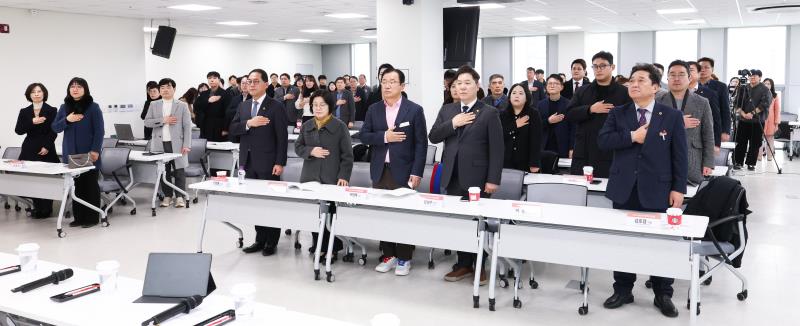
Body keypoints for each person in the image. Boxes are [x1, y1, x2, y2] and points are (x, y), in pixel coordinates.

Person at [598, 63, 687, 318]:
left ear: (655, 87)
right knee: (623, 242)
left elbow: (679, 156)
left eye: (640, 80)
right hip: (625, 188)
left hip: (658, 189)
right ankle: (623, 289)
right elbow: (603, 141)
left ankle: (663, 293)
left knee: (661, 243)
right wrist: (631, 137)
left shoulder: (670, 116)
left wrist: (678, 189)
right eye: (631, 81)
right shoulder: (619, 113)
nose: (633, 84)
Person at [429, 65, 503, 285]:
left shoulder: (489, 112)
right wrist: (453, 123)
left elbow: (497, 149)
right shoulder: (448, 111)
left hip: (478, 179)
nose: (461, 86)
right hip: (452, 175)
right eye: (458, 83)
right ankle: (463, 265)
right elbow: (433, 136)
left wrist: (493, 179)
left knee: (478, 222)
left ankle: (480, 265)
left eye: (467, 82)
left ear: (477, 86)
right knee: (460, 223)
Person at [359, 68, 427, 275]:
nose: (387, 85)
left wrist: (417, 172)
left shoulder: (414, 110)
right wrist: (384, 137)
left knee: (402, 216)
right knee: (383, 215)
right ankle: (388, 255)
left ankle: (404, 258)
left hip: (404, 171)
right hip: (380, 170)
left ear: (402, 86)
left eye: (392, 81)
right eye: (384, 81)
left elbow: (421, 144)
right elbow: (364, 136)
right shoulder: (373, 109)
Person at [231, 69, 289, 256]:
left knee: (270, 203)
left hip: (268, 162)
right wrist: (249, 123)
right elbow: (233, 128)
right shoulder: (244, 106)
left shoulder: (276, 106)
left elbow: (282, 137)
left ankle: (271, 241)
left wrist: (280, 162)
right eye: (249, 81)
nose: (252, 85)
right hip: (247, 163)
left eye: (256, 81)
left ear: (265, 84)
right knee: (255, 203)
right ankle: (259, 239)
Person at [295, 90, 354, 259]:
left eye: (322, 105)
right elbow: (298, 147)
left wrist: (344, 176)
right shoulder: (307, 126)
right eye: (315, 105)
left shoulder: (339, 126)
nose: (318, 108)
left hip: (331, 177)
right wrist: (311, 150)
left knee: (330, 215)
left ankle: (332, 248)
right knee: (315, 214)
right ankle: (318, 244)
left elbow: (347, 155)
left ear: (330, 106)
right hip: (310, 177)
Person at [565, 51, 631, 178]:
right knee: (580, 190)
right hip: (584, 150)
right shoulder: (583, 90)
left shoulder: (623, 93)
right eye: (595, 66)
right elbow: (569, 114)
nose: (598, 69)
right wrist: (590, 109)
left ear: (612, 67)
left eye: (602, 66)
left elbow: (630, 121)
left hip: (610, 151)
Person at [52, 77, 104, 228]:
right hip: (70, 152)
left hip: (88, 153)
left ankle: (92, 218)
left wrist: (95, 150)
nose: (75, 89)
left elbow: (99, 131)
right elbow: (55, 128)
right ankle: (79, 217)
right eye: (72, 86)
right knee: (75, 186)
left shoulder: (93, 107)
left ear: (85, 89)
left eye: (79, 86)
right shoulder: (64, 107)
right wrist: (67, 119)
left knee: (89, 185)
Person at [656, 60, 715, 185]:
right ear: (667, 78)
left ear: (689, 78)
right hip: (662, 161)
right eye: (672, 74)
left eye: (681, 74)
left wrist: (708, 163)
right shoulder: (657, 101)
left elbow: (708, 134)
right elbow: (650, 128)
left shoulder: (702, 102)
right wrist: (678, 123)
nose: (676, 78)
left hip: (692, 160)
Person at [143, 78, 193, 208]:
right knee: (163, 171)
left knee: (179, 171)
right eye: (162, 88)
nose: (165, 90)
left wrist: (187, 144)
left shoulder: (182, 105)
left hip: (177, 143)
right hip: (159, 144)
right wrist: (163, 120)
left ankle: (180, 196)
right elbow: (147, 122)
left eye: (168, 87)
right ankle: (167, 196)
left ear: (174, 89)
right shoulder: (154, 105)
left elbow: (187, 126)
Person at [15, 83, 60, 218]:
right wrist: (32, 122)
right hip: (29, 148)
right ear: (29, 95)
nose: (36, 94)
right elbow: (18, 130)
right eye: (33, 92)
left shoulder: (52, 110)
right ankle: (37, 207)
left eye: (39, 91)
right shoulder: (24, 111)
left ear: (44, 93)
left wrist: (46, 146)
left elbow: (54, 130)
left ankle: (47, 208)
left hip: (46, 147)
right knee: (33, 178)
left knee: (47, 178)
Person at [733, 69, 772, 171]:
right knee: (740, 142)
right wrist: (743, 114)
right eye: (750, 76)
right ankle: (738, 162)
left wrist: (752, 113)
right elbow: (737, 103)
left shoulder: (764, 89)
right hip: (743, 120)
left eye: (755, 76)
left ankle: (751, 163)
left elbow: (765, 104)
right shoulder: (743, 88)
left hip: (757, 121)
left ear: (760, 77)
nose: (752, 77)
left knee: (755, 143)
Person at [501, 83, 542, 172]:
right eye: (514, 93)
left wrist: (534, 163)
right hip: (506, 161)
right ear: (509, 97)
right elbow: (499, 136)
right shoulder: (502, 114)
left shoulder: (533, 114)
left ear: (526, 98)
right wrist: (515, 125)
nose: (517, 96)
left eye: (520, 93)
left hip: (526, 162)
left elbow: (536, 140)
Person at [686, 61, 722, 148]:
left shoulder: (710, 94)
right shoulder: (674, 93)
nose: (688, 74)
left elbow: (715, 119)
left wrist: (716, 144)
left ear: (699, 74)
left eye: (691, 70)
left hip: (700, 142)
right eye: (684, 71)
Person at [539, 74, 575, 159]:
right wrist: (548, 121)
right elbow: (536, 125)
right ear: (546, 87)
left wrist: (572, 148)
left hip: (562, 146)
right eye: (550, 83)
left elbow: (573, 128)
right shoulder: (540, 104)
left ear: (562, 87)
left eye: (556, 83)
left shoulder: (569, 104)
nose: (552, 85)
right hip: (544, 145)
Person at [697, 57, 732, 143]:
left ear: (712, 69)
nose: (703, 70)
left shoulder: (721, 86)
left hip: (714, 126)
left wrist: (725, 131)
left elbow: (725, 109)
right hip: (695, 125)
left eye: (706, 67)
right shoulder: (692, 86)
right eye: (700, 67)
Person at [194, 71, 232, 142]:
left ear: (219, 80)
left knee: (218, 149)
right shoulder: (204, 94)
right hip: (205, 125)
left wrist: (226, 129)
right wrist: (208, 101)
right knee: (205, 147)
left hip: (219, 126)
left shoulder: (225, 93)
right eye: (209, 78)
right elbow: (196, 107)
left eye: (214, 78)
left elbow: (228, 112)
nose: (212, 80)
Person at [761, 78, 781, 161]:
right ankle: (758, 157)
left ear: (771, 85)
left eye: (769, 84)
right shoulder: (759, 94)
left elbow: (777, 110)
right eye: (765, 83)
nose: (767, 85)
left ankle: (769, 156)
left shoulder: (775, 96)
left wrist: (776, 123)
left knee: (770, 140)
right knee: (758, 139)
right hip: (761, 119)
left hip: (771, 121)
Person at [226, 76, 251, 142]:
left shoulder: (255, 98)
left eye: (247, 83)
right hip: (236, 131)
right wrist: (240, 109)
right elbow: (228, 113)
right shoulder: (235, 98)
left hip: (249, 132)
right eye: (242, 83)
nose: (244, 85)